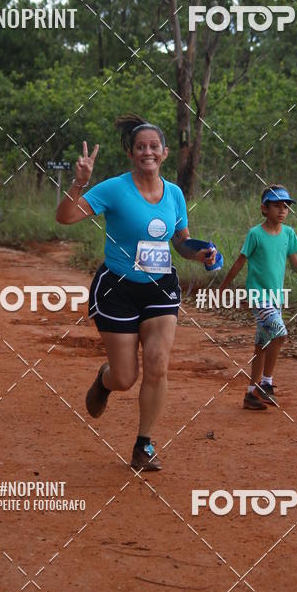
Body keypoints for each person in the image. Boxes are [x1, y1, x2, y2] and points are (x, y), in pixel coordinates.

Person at [55, 114, 217, 472]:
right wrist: (79, 184)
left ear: (165, 152)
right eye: (140, 146)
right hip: (117, 289)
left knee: (158, 364)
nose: (148, 152)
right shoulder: (113, 189)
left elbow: (181, 241)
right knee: (126, 377)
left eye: (154, 146)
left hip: (160, 288)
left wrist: (200, 252)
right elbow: (65, 217)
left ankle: (143, 444)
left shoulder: (173, 193)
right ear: (131, 153)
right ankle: (105, 379)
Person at [220, 184, 297, 411]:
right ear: (264, 209)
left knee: (262, 345)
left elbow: (295, 264)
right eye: (277, 205)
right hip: (259, 296)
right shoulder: (255, 234)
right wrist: (224, 287)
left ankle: (251, 394)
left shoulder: (288, 234)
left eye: (286, 206)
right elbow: (240, 261)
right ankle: (266, 385)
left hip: (276, 298)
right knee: (280, 333)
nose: (282, 210)